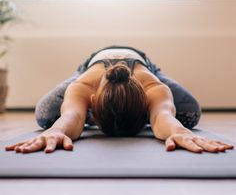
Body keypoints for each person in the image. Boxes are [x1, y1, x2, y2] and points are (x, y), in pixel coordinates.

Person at [5, 45, 234, 154]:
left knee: (188, 114)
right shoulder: (83, 85)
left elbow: (162, 115)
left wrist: (179, 131)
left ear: (147, 102)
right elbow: (72, 116)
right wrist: (57, 130)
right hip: (92, 65)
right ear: (91, 102)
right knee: (46, 115)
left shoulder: (153, 87)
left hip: (144, 64)